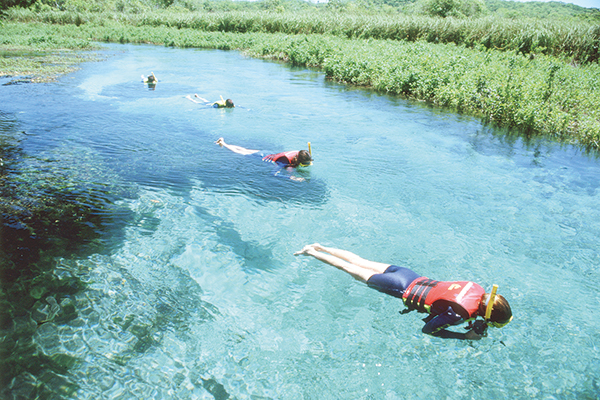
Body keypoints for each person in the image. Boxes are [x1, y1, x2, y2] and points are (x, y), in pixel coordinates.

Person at [294, 243, 513, 340]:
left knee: (359, 260)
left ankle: (320, 246)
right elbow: (428, 330)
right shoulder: (459, 314)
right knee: (349, 268)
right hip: (400, 287)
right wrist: (465, 336)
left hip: (410, 275)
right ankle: (311, 252)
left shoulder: (476, 288)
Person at [215, 137, 312, 181]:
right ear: (298, 161)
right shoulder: (284, 161)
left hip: (267, 152)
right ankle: (223, 143)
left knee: (245, 149)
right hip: (264, 157)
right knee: (240, 152)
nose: (306, 166)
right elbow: (273, 174)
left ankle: (224, 142)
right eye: (304, 164)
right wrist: (291, 177)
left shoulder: (298, 154)